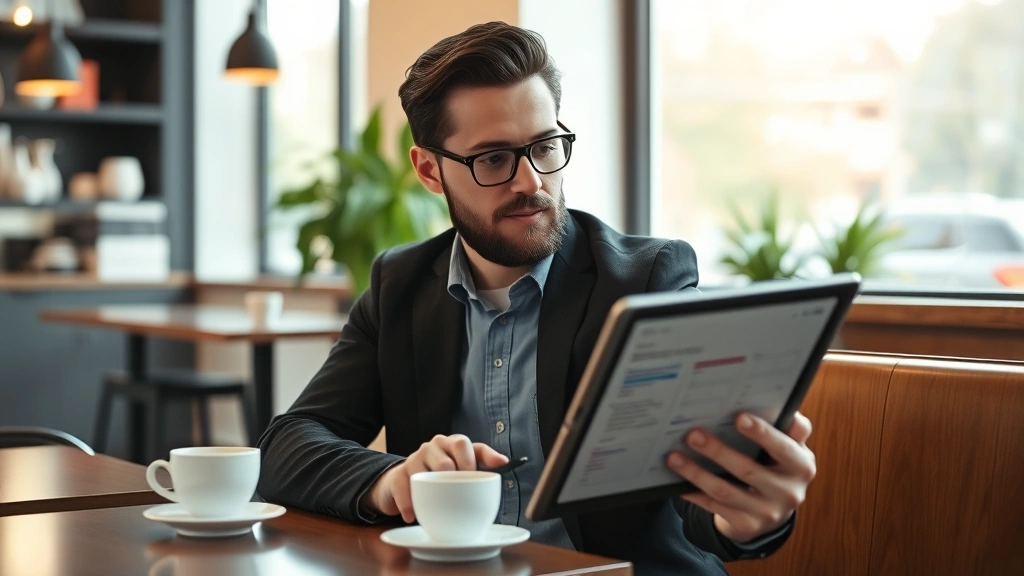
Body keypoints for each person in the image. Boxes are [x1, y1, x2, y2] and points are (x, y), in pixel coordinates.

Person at [257, 21, 816, 575]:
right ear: (430, 170)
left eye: (545, 147)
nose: (530, 182)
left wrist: (747, 520)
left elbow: (689, 496)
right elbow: (288, 445)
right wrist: (392, 480)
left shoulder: (644, 280)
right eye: (494, 159)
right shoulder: (399, 284)